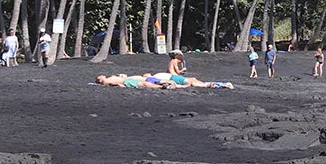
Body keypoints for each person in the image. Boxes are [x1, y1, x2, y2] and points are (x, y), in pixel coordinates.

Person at [95, 72, 233, 89]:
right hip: (165, 78)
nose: (100, 76)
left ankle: (216, 84)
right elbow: (117, 83)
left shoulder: (112, 76)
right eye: (98, 78)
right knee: (192, 81)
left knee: (192, 80)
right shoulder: (108, 81)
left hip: (149, 79)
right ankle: (216, 85)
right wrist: (121, 83)